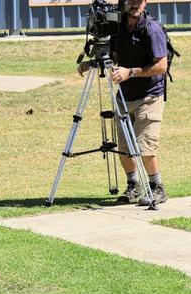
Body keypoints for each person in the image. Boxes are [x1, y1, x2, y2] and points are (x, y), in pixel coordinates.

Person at [79, 0, 169, 205]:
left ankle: (157, 187)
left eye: (139, 1)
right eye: (131, 1)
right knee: (124, 147)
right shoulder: (118, 28)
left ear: (145, 3)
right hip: (124, 95)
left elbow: (161, 66)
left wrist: (131, 72)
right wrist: (92, 62)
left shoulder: (151, 29)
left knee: (144, 146)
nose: (135, 5)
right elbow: (115, 54)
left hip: (149, 95)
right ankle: (134, 185)